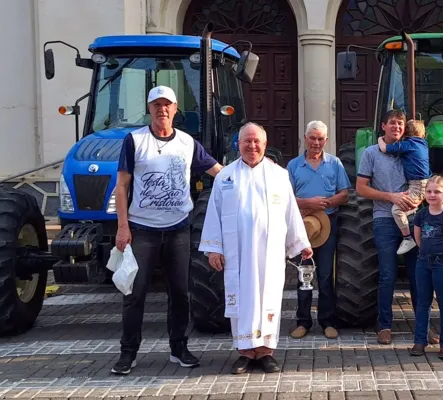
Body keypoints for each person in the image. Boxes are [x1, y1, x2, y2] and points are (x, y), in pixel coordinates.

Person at [111, 85, 223, 375]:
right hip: (142, 230)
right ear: (149, 108)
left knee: (180, 293)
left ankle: (179, 348)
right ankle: (128, 353)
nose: (162, 109)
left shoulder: (187, 143)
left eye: (167, 105)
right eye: (156, 104)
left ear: (175, 109)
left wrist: (254, 172)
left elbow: (219, 173)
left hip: (178, 231)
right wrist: (122, 227)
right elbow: (122, 186)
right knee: (134, 293)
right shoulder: (134, 141)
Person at [199, 122, 313, 374]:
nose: (252, 145)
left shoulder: (279, 175)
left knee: (268, 298)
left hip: (269, 254)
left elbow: (290, 211)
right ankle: (244, 351)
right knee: (242, 300)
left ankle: (265, 352)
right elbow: (213, 214)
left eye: (256, 141)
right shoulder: (225, 177)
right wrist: (214, 249)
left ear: (264, 144)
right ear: (238, 144)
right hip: (236, 255)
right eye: (246, 141)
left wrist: (301, 242)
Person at [357, 109, 438, 345]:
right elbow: (361, 188)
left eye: (400, 124)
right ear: (383, 126)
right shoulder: (371, 153)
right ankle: (384, 326)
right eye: (392, 123)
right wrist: (391, 197)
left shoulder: (412, 150)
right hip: (384, 218)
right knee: (387, 275)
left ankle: (424, 327)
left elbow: (425, 182)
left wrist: (419, 199)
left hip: (413, 219)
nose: (396, 127)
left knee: (418, 276)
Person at [286, 120, 350, 340]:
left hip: (327, 226)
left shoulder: (335, 164)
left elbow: (345, 194)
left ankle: (327, 321)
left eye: (320, 138)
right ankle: (303, 321)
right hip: (303, 228)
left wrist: (328, 202)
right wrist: (308, 203)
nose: (316, 142)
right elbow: (286, 198)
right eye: (312, 137)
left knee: (325, 275)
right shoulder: (293, 166)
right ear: (305, 138)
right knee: (304, 275)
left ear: (326, 140)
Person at [409, 175, 443, 359]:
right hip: (423, 263)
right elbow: (418, 237)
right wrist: (425, 253)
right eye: (429, 191)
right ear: (424, 194)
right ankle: (419, 341)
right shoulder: (421, 215)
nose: (432, 195)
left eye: (437, 192)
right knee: (423, 302)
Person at [377, 119, 431, 255]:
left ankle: (408, 238)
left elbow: (384, 148)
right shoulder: (424, 144)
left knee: (396, 210)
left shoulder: (409, 144)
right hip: (423, 182)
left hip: (417, 185)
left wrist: (380, 139)